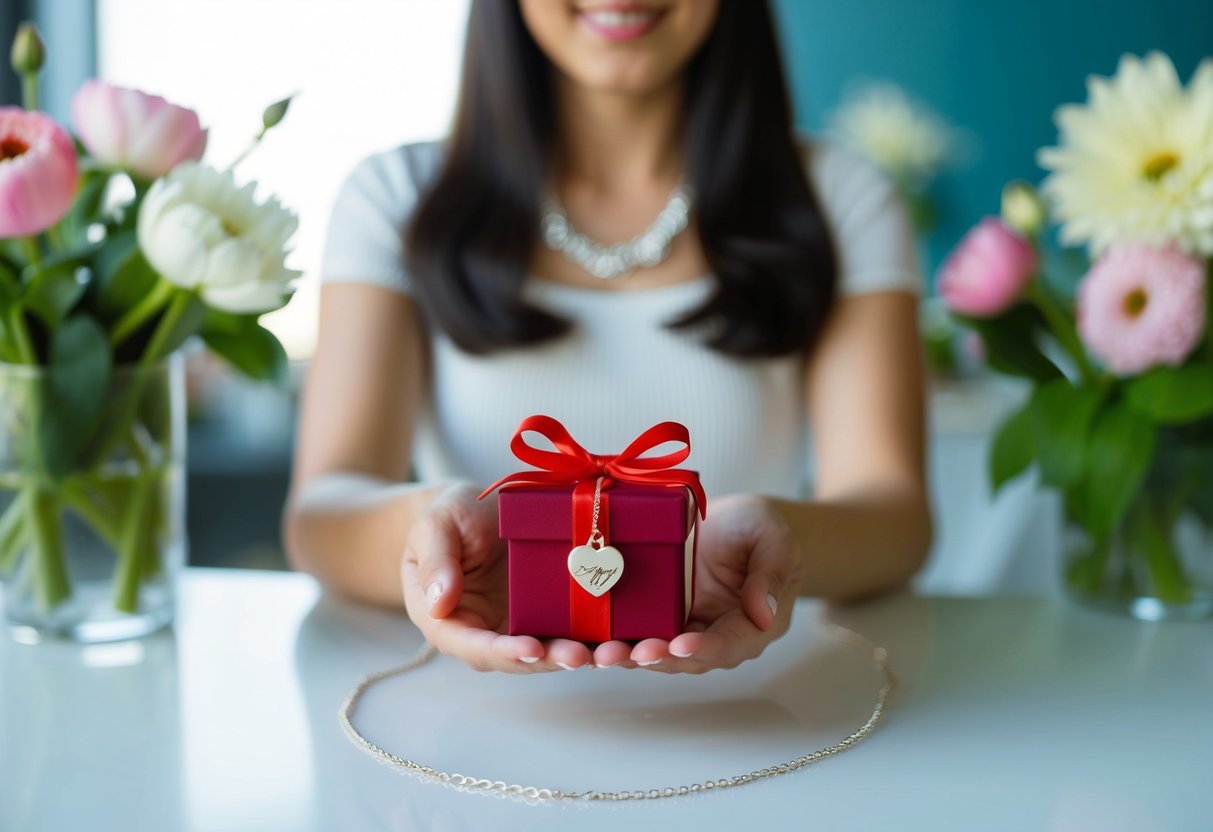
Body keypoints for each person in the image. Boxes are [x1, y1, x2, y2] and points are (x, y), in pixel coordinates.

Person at [283, 0, 931, 675]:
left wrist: (777, 537)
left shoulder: (839, 198)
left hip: (753, 705)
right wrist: (430, 523)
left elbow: (895, 517)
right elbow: (321, 514)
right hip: (456, 712)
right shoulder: (396, 196)